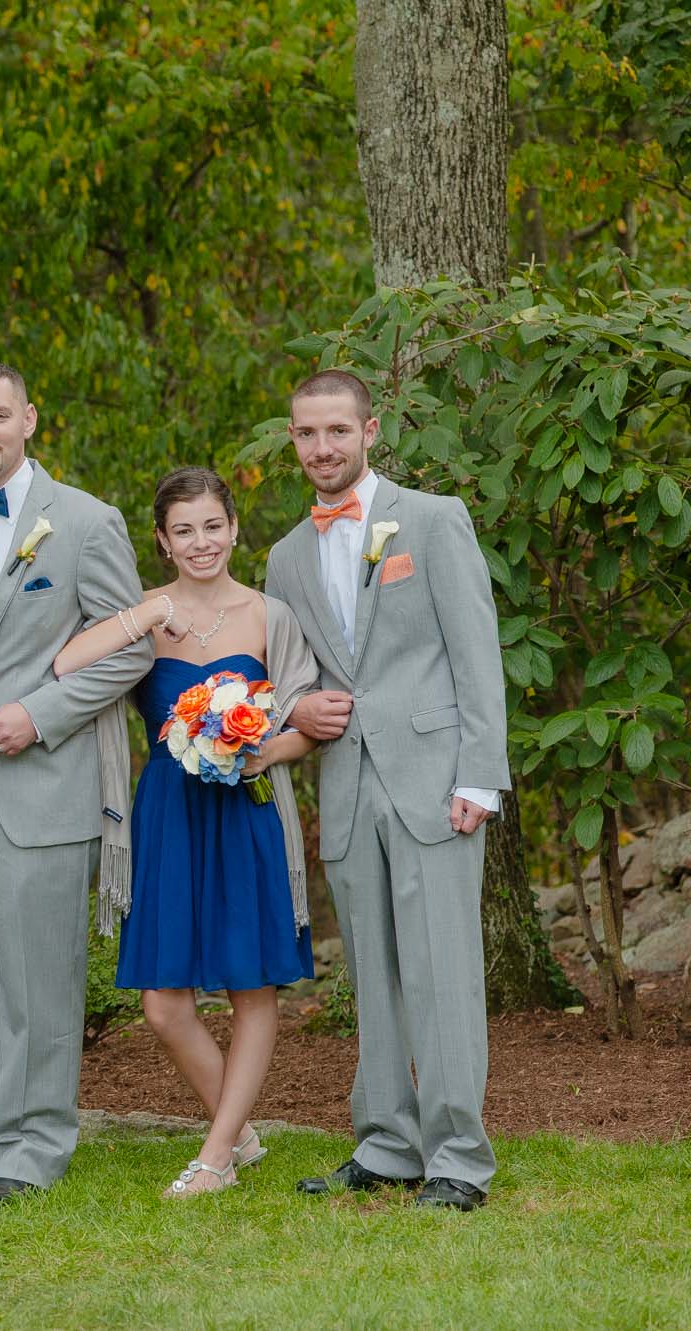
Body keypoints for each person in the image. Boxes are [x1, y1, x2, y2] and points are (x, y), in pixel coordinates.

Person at [0, 360, 152, 1203]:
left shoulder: (85, 521)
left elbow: (132, 646)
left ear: (29, 419)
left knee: (43, 984)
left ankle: (34, 1150)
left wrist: (39, 713)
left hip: (44, 781)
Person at [267, 370, 509, 1212]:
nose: (323, 448)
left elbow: (476, 649)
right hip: (348, 785)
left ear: (370, 431)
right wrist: (297, 705)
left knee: (442, 973)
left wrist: (482, 773)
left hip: (437, 782)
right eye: (307, 434)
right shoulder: (284, 556)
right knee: (371, 974)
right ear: (293, 440)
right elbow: (285, 676)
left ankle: (458, 1159)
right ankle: (386, 1143)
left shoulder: (434, 520)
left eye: (337, 430)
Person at [50, 467, 317, 1197]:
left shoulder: (271, 615)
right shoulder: (139, 612)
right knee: (164, 1003)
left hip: (248, 809)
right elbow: (66, 662)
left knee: (252, 986)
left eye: (213, 526)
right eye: (183, 530)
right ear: (163, 541)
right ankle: (241, 1130)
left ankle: (219, 1154)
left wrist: (254, 747)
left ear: (234, 528)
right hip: (167, 814)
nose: (201, 542)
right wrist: (142, 619)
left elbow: (306, 725)